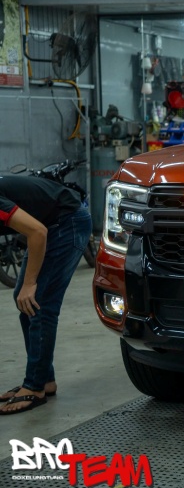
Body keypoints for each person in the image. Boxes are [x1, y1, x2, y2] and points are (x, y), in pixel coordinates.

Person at [0, 172, 92, 415]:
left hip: (67, 223)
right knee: (23, 302)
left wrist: (30, 282)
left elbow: (37, 232)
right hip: (51, 224)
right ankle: (45, 379)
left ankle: (35, 386)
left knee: (37, 303)